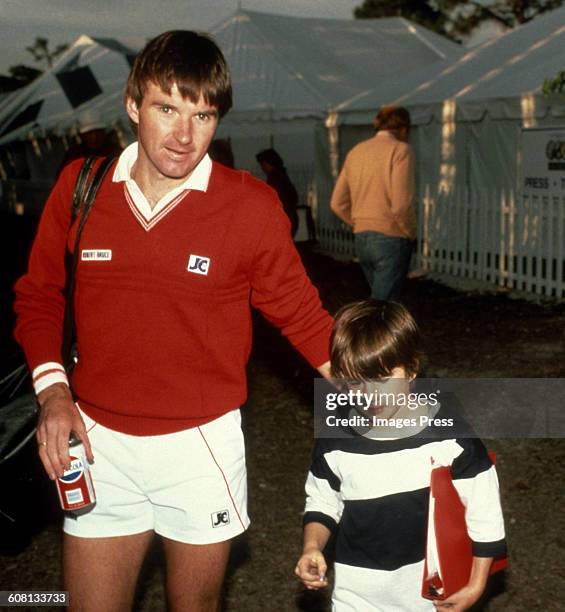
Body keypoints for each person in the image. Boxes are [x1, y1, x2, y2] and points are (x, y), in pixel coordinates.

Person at [14, 30, 333, 611]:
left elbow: (307, 320)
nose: (185, 137)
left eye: (203, 115)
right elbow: (39, 294)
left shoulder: (250, 205)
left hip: (199, 445)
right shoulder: (81, 187)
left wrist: (399, 407)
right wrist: (54, 393)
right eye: (167, 109)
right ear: (134, 105)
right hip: (97, 444)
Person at [295, 300, 507, 611]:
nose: (368, 396)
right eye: (354, 382)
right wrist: (312, 547)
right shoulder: (336, 437)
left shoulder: (449, 437)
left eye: (381, 380)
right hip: (356, 598)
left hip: (428, 597)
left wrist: (476, 585)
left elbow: (484, 513)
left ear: (410, 369)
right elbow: (323, 500)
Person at [330, 106, 416, 301]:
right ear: (404, 128)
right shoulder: (401, 150)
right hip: (391, 237)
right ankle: (363, 332)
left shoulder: (356, 151)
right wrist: (410, 232)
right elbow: (401, 205)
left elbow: (337, 203)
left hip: (362, 237)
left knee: (379, 301)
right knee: (382, 308)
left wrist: (359, 222)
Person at [256, 148, 299, 237]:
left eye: (263, 165)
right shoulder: (283, 176)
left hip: (281, 221)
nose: (262, 168)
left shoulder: (274, 180)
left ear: (269, 163)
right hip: (290, 218)